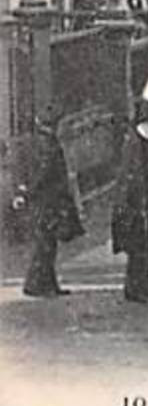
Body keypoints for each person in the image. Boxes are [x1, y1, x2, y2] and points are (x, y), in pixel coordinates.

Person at [16, 105, 84, 298]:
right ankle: (36, 284)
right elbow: (44, 173)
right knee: (45, 243)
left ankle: (48, 283)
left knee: (47, 242)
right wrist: (30, 192)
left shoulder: (39, 142)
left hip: (44, 200)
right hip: (48, 200)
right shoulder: (49, 145)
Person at [112, 94, 148, 304]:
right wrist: (144, 205)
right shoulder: (137, 144)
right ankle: (134, 288)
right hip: (136, 205)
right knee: (139, 248)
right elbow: (135, 178)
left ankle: (145, 284)